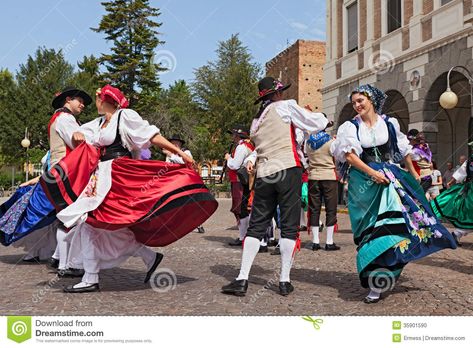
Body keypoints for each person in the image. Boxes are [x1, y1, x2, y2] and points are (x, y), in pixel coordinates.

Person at [40, 85, 218, 293]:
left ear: (105, 99)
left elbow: (152, 136)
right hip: (100, 178)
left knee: (91, 223)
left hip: (121, 175)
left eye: (97, 97)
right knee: (102, 223)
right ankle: (146, 258)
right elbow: (77, 134)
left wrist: (181, 153)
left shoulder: (124, 116)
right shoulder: (97, 124)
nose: (93, 102)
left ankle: (91, 278)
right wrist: (78, 135)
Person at [330, 84, 456, 304]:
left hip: (389, 180)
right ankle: (375, 277)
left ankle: (382, 280)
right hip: (364, 184)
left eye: (361, 100)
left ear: (371, 100)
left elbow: (404, 148)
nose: (357, 105)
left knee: (397, 227)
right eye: (354, 102)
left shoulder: (389, 123)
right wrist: (372, 173)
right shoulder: (349, 128)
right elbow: (350, 157)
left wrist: (413, 173)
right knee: (370, 233)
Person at [221, 77, 328, 297]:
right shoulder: (286, 106)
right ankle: (284, 280)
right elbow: (316, 123)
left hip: (265, 173)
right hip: (288, 168)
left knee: (257, 224)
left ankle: (242, 279)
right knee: (288, 225)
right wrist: (313, 117)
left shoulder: (255, 121)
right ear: (277, 93)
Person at [0, 87, 92, 278]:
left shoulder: (59, 118)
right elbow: (79, 145)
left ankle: (60, 259)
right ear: (68, 100)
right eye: (80, 101)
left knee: (62, 217)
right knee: (70, 218)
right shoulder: (65, 119)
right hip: (65, 175)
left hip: (58, 174)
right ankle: (66, 263)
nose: (83, 105)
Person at [432, 143, 473, 247]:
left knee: (469, 216)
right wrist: (451, 182)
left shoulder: (469, 161)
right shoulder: (469, 161)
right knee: (469, 217)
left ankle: (457, 234)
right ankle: (456, 233)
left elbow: (460, 173)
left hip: (469, 189)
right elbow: (461, 172)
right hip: (470, 191)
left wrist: (451, 182)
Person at [306, 126, 340, 251]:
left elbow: (307, 157)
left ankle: (315, 241)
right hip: (329, 177)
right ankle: (329, 242)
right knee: (331, 209)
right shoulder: (331, 142)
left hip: (313, 177)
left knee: (314, 209)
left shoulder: (308, 142)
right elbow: (338, 157)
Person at [164, 135, 205, 233]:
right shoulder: (170, 153)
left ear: (179, 144)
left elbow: (186, 161)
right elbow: (167, 166)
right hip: (175, 180)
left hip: (187, 180)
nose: (174, 144)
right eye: (172, 142)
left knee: (190, 203)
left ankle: (198, 224)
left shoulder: (186, 152)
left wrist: (171, 156)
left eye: (175, 142)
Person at [225, 126, 255, 246]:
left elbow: (235, 165)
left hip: (239, 181)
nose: (232, 137)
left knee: (241, 209)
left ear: (238, 136)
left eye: (234, 135)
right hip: (242, 180)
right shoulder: (247, 146)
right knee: (243, 208)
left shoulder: (241, 147)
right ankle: (245, 235)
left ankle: (243, 236)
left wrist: (228, 158)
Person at [408, 129, 433, 193]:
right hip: (427, 177)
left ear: (413, 140)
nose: (408, 142)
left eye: (409, 140)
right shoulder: (426, 147)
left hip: (422, 177)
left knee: (417, 199)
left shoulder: (414, 151)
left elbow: (406, 160)